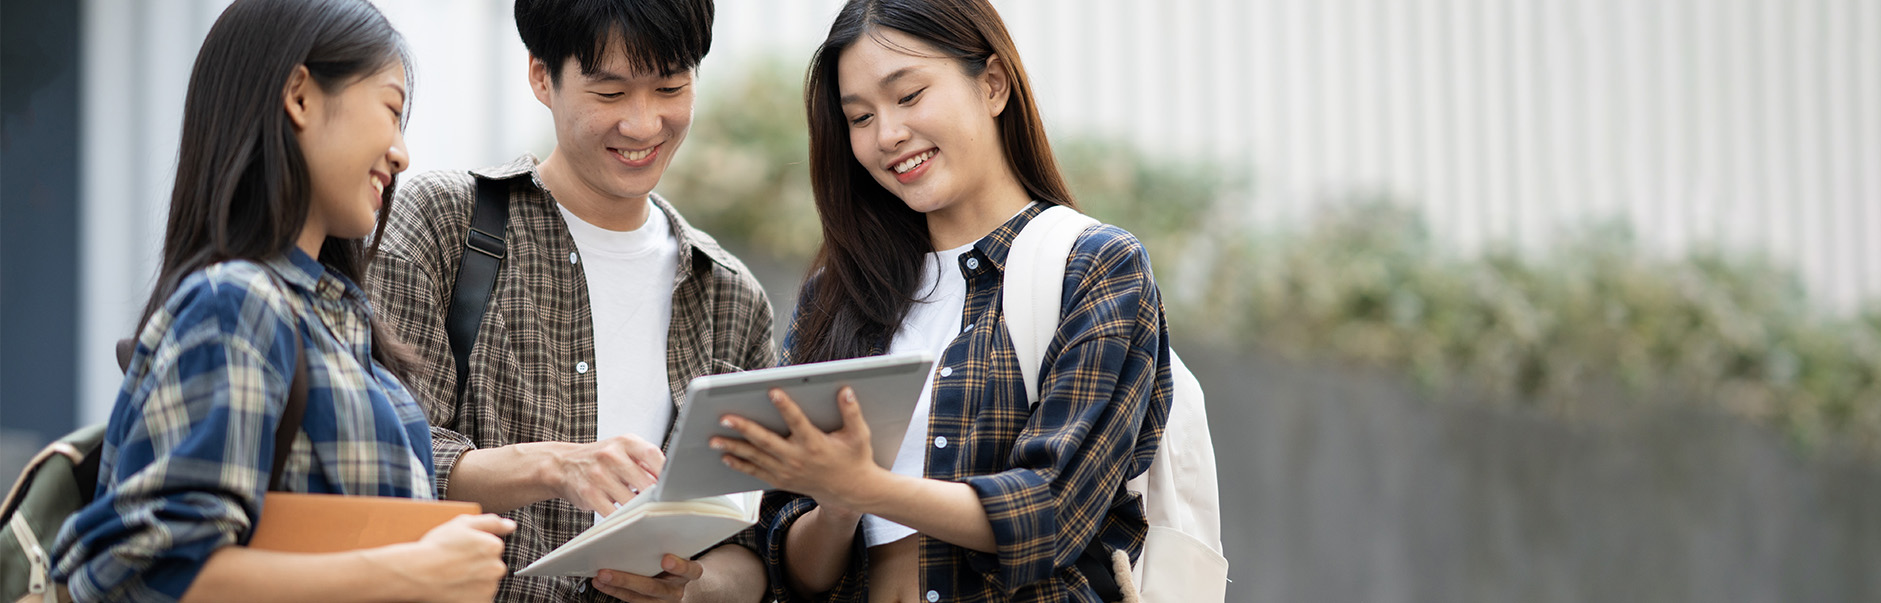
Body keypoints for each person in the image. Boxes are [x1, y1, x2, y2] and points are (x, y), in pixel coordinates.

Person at [49, 1, 517, 601]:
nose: (402, 154)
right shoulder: (237, 304)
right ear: (299, 96)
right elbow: (147, 573)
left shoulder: (335, 325)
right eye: (391, 110)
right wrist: (414, 571)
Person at [710, 0, 1176, 600]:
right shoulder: (837, 293)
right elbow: (794, 571)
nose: (888, 135)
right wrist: (837, 505)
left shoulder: (1092, 266)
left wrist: (864, 485)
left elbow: (1052, 511)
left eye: (908, 96)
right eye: (859, 117)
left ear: (993, 84)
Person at [365, 1, 774, 601]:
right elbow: (378, 456)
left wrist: (688, 589)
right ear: (541, 76)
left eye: (670, 87)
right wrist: (557, 467)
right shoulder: (440, 225)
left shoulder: (730, 295)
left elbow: (752, 545)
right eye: (610, 93)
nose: (643, 124)